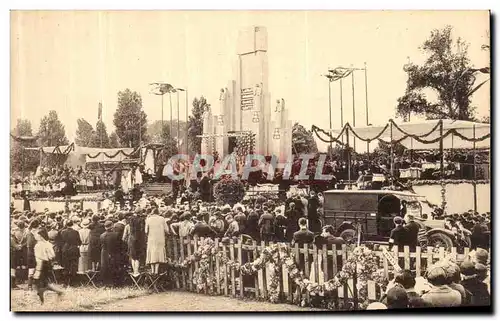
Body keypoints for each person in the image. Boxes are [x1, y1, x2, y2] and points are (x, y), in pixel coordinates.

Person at [33, 228, 64, 304]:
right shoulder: (48, 244)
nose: (36, 236)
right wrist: (47, 257)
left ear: (40, 236)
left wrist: (43, 257)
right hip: (46, 264)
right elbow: (52, 255)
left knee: (39, 283)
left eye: (37, 235)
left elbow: (38, 256)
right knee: (43, 282)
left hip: (41, 264)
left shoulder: (38, 245)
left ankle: (42, 300)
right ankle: (57, 291)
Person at [145, 208, 169, 275]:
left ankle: (152, 271)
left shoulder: (148, 219)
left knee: (152, 253)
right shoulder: (162, 219)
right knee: (158, 253)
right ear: (158, 213)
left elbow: (146, 231)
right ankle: (156, 271)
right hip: (160, 239)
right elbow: (167, 230)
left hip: (151, 239)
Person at [60, 220, 81, 286]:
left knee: (66, 266)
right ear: (72, 225)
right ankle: (73, 282)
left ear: (66, 225)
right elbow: (79, 242)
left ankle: (65, 282)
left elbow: (61, 242)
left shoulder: (62, 232)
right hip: (74, 250)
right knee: (73, 266)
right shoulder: (76, 232)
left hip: (65, 250)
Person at [100, 220, 120, 287]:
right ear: (112, 226)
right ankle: (114, 283)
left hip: (104, 253)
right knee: (113, 267)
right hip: (113, 252)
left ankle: (105, 283)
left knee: (105, 268)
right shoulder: (116, 234)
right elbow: (119, 245)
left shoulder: (102, 235)